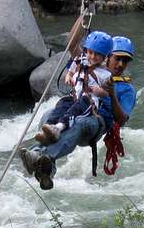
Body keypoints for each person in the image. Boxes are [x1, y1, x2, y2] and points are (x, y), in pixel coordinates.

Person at [21, 25, 136, 191]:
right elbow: (72, 44)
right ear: (107, 56)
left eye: (125, 61)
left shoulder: (127, 89)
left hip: (98, 122)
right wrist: (84, 15)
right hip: (78, 107)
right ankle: (43, 165)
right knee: (49, 114)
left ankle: (47, 156)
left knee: (80, 122)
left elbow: (122, 120)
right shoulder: (88, 64)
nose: (120, 64)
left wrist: (111, 95)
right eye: (117, 58)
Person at [34, 30, 113, 145]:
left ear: (104, 56)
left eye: (97, 54)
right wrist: (68, 77)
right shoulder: (80, 61)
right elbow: (70, 73)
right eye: (90, 52)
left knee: (75, 110)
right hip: (74, 96)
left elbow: (106, 93)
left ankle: (59, 127)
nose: (92, 56)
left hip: (89, 101)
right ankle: (49, 127)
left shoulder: (105, 74)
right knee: (61, 104)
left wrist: (98, 91)